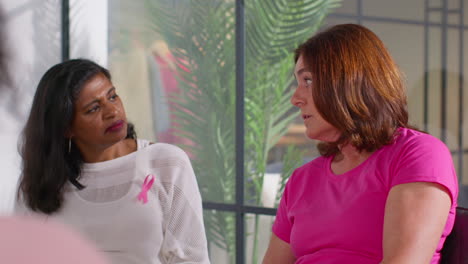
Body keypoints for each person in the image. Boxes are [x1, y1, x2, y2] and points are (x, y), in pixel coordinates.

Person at [263, 24, 458, 264]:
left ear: (348, 82)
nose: (296, 98)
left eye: (308, 81)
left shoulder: (418, 154)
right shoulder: (301, 180)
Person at [15, 59, 210, 264]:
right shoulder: (42, 181)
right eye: (93, 109)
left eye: (112, 96)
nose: (113, 111)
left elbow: (191, 258)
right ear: (66, 129)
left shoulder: (166, 163)